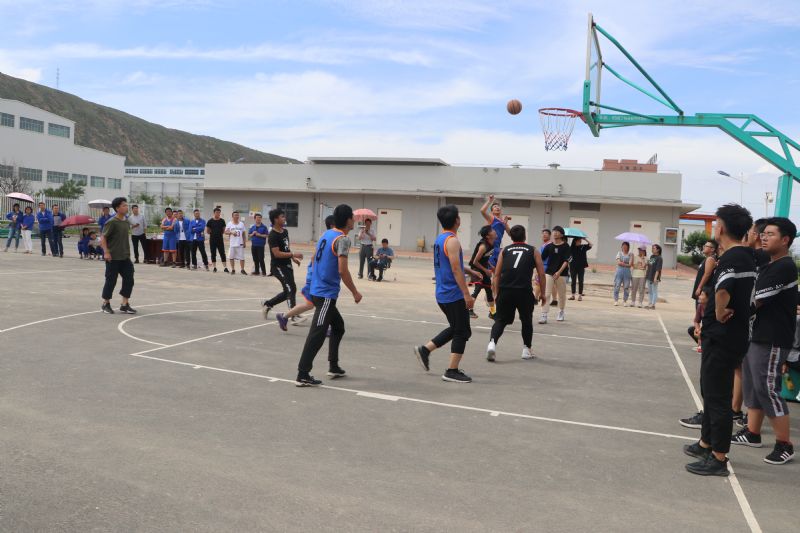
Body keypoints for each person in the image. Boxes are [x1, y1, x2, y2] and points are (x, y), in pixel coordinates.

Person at [684, 203, 755, 477]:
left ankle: (718, 457)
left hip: (723, 337)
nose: (714, 227)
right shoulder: (745, 257)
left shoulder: (732, 258)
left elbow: (724, 290)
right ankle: (706, 443)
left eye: (716, 223)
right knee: (710, 390)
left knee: (717, 396)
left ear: (722, 228)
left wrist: (719, 310)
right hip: (728, 336)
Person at [731, 217, 797, 465]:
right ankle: (753, 432)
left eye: (770, 234)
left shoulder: (784, 266)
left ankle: (785, 444)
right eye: (763, 233)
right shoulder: (770, 264)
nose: (764, 237)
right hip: (758, 335)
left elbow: (756, 300)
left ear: (785, 240)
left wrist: (727, 310)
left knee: (768, 388)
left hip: (773, 338)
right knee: (753, 386)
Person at [296, 204, 362, 386]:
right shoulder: (343, 239)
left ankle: (333, 366)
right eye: (353, 217)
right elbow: (342, 270)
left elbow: (313, 259)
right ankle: (303, 373)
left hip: (318, 290)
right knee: (317, 333)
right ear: (348, 220)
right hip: (325, 294)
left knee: (338, 327)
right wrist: (355, 292)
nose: (354, 220)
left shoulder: (326, 235)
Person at [414, 204, 480, 383]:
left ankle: (425, 350)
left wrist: (470, 271)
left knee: (457, 327)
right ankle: (451, 371)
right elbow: (455, 269)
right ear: (457, 220)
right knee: (462, 331)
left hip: (443, 292)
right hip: (452, 293)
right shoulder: (453, 241)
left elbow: (452, 263)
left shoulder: (440, 239)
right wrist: (467, 294)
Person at [486, 225, 546, 361]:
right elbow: (541, 274)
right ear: (524, 236)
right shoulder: (533, 250)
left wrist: (496, 292)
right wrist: (542, 293)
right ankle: (526, 349)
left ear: (511, 237)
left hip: (505, 289)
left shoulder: (505, 250)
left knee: (501, 320)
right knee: (526, 320)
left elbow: (497, 274)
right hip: (524, 291)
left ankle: (492, 344)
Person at [276, 215, 335, 331]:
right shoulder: (330, 238)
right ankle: (326, 327)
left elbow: (314, 257)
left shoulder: (326, 236)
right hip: (316, 276)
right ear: (333, 225)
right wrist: (317, 275)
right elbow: (314, 258)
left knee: (311, 304)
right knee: (325, 302)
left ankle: (284, 317)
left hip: (316, 275)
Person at [262, 208, 302, 316]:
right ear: (276, 219)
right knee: (291, 288)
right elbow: (277, 254)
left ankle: (268, 304)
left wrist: (293, 258)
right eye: (282, 216)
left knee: (289, 290)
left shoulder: (285, 231)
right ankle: (293, 315)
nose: (284, 218)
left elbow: (286, 248)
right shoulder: (272, 235)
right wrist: (293, 254)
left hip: (287, 265)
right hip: (278, 267)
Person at [100, 197, 136, 315]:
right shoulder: (111, 222)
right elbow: (103, 237)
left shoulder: (126, 221)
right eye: (124, 205)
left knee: (129, 279)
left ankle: (124, 304)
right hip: (113, 257)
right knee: (111, 280)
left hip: (125, 256)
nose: (126, 207)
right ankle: (105, 303)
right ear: (117, 208)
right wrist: (106, 252)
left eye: (126, 205)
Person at [539, 225, 571, 323]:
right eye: (554, 231)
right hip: (549, 272)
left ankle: (561, 311)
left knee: (561, 294)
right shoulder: (549, 246)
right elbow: (541, 259)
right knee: (546, 293)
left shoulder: (566, 246)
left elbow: (567, 261)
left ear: (562, 235)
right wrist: (537, 271)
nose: (555, 233)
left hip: (562, 273)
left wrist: (559, 272)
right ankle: (544, 314)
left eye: (557, 231)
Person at [468, 225, 496, 319]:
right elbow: (475, 261)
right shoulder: (483, 246)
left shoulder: (491, 244)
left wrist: (491, 266)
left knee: (489, 291)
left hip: (483, 268)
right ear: (488, 236)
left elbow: (485, 258)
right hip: (476, 269)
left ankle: (492, 312)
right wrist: (486, 270)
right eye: (492, 230)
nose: (494, 231)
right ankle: (469, 310)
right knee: (477, 289)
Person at [479, 194, 511, 267]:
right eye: (495, 207)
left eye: (498, 206)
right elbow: (482, 211)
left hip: (497, 248)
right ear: (492, 212)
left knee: (496, 270)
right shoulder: (492, 218)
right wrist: (490, 201)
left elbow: (510, 234)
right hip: (489, 247)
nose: (497, 207)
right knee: (490, 268)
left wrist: (506, 223)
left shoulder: (503, 222)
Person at [205, 207, 228, 273]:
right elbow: (207, 231)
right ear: (214, 213)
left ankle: (225, 267)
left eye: (219, 213)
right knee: (213, 253)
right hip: (212, 239)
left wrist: (219, 233)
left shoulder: (222, 221)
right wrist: (213, 233)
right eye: (216, 212)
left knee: (222, 253)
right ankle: (214, 267)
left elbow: (223, 230)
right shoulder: (210, 221)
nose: (218, 214)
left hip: (220, 239)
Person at [688, 287, 711, 352]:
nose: (699, 296)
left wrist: (701, 335)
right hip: (704, 330)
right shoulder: (700, 306)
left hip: (712, 331)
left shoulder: (712, 308)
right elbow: (696, 321)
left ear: (708, 298)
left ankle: (707, 346)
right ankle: (702, 345)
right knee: (691, 330)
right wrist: (698, 330)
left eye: (702, 295)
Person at [225, 210, 247, 275]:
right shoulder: (229, 223)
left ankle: (242, 269)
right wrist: (231, 232)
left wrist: (244, 242)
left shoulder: (241, 224)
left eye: (237, 215)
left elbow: (243, 234)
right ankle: (233, 269)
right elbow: (225, 232)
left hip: (240, 243)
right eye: (235, 215)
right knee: (231, 257)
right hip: (232, 243)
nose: (237, 216)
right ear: (232, 216)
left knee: (242, 257)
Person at [613, 242, 633, 306]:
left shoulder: (630, 254)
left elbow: (630, 264)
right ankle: (616, 300)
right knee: (617, 285)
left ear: (628, 247)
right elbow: (618, 262)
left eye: (626, 246)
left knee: (626, 287)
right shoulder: (619, 253)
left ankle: (625, 300)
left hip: (627, 272)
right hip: (619, 271)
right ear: (621, 246)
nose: (624, 247)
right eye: (623, 245)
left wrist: (623, 264)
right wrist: (625, 264)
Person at [534, 228, 551, 301]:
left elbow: (542, 257)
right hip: (543, 266)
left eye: (546, 234)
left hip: (544, 266)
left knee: (538, 282)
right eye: (543, 234)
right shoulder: (544, 245)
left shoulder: (549, 245)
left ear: (550, 235)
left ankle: (535, 298)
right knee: (542, 283)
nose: (544, 235)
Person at [645, 244, 663, 310]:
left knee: (654, 291)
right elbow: (650, 264)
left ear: (658, 250)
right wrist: (646, 261)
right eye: (652, 248)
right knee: (650, 291)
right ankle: (649, 303)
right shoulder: (652, 256)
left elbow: (658, 269)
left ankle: (653, 305)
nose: (652, 249)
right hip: (649, 275)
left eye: (653, 248)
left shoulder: (659, 258)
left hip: (654, 277)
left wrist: (655, 278)